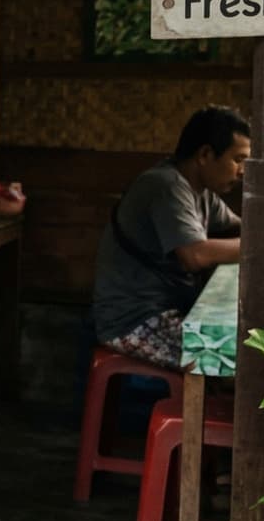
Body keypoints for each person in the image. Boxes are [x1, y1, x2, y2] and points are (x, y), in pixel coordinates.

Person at [91, 105, 252, 369]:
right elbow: (195, 255)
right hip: (134, 320)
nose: (242, 171)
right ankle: (196, 409)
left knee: (245, 348)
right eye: (238, 160)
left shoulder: (202, 193)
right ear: (205, 154)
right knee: (229, 360)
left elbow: (244, 229)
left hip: (164, 311)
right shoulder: (166, 186)